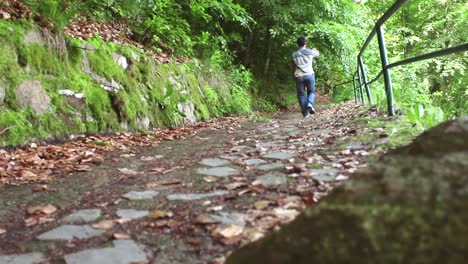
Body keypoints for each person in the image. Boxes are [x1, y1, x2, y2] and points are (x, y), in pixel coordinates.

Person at [291, 36, 319, 118]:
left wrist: (293, 75)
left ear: (297, 44)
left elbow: (292, 66)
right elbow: (317, 54)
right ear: (305, 43)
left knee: (301, 94)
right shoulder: (309, 52)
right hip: (309, 74)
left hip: (299, 75)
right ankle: (310, 103)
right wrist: (314, 49)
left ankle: (305, 113)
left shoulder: (294, 55)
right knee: (311, 92)